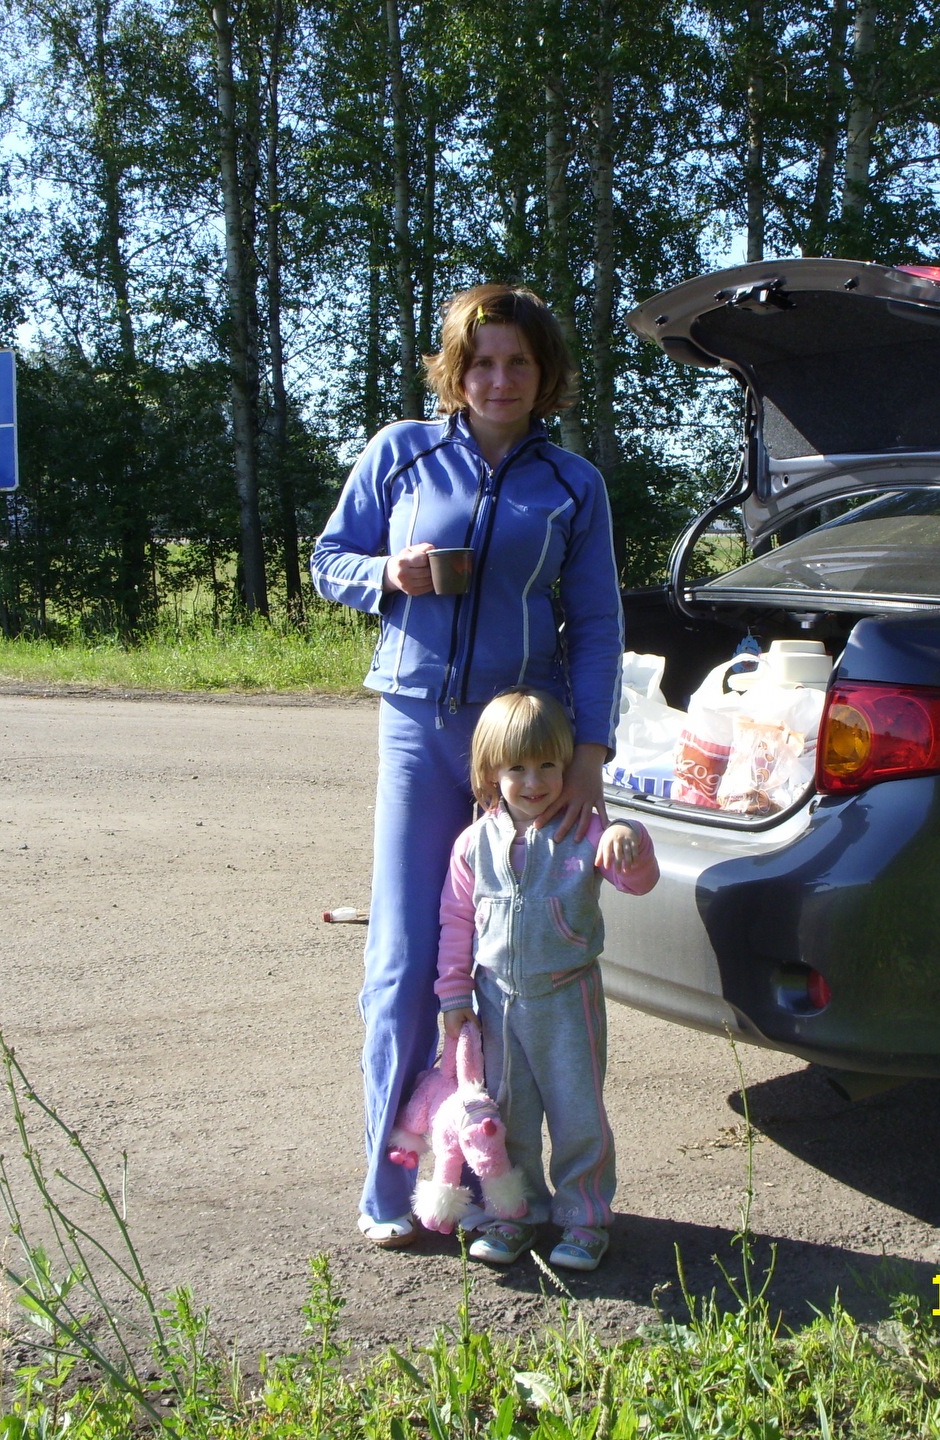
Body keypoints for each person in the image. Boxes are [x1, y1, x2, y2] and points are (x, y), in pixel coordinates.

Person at [308, 284, 626, 1250]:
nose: (499, 379)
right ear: (455, 369)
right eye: (481, 361)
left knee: (520, 970)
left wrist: (588, 757)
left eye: (518, 363)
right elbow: (329, 559)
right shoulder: (399, 452)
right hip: (418, 727)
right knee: (407, 962)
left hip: (522, 750)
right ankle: (390, 1181)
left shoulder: (574, 485)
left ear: (544, 375)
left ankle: (509, 1189)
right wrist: (386, 576)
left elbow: (599, 625)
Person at [434, 688, 658, 1271]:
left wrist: (627, 842)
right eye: (517, 769)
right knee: (509, 1118)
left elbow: (638, 882)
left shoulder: (585, 833)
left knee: (578, 1114)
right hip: (496, 1002)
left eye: (548, 767)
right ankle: (518, 1214)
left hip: (567, 999)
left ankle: (584, 1220)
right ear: (490, 773)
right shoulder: (472, 845)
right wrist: (454, 994)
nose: (534, 783)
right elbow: (457, 921)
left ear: (566, 768)